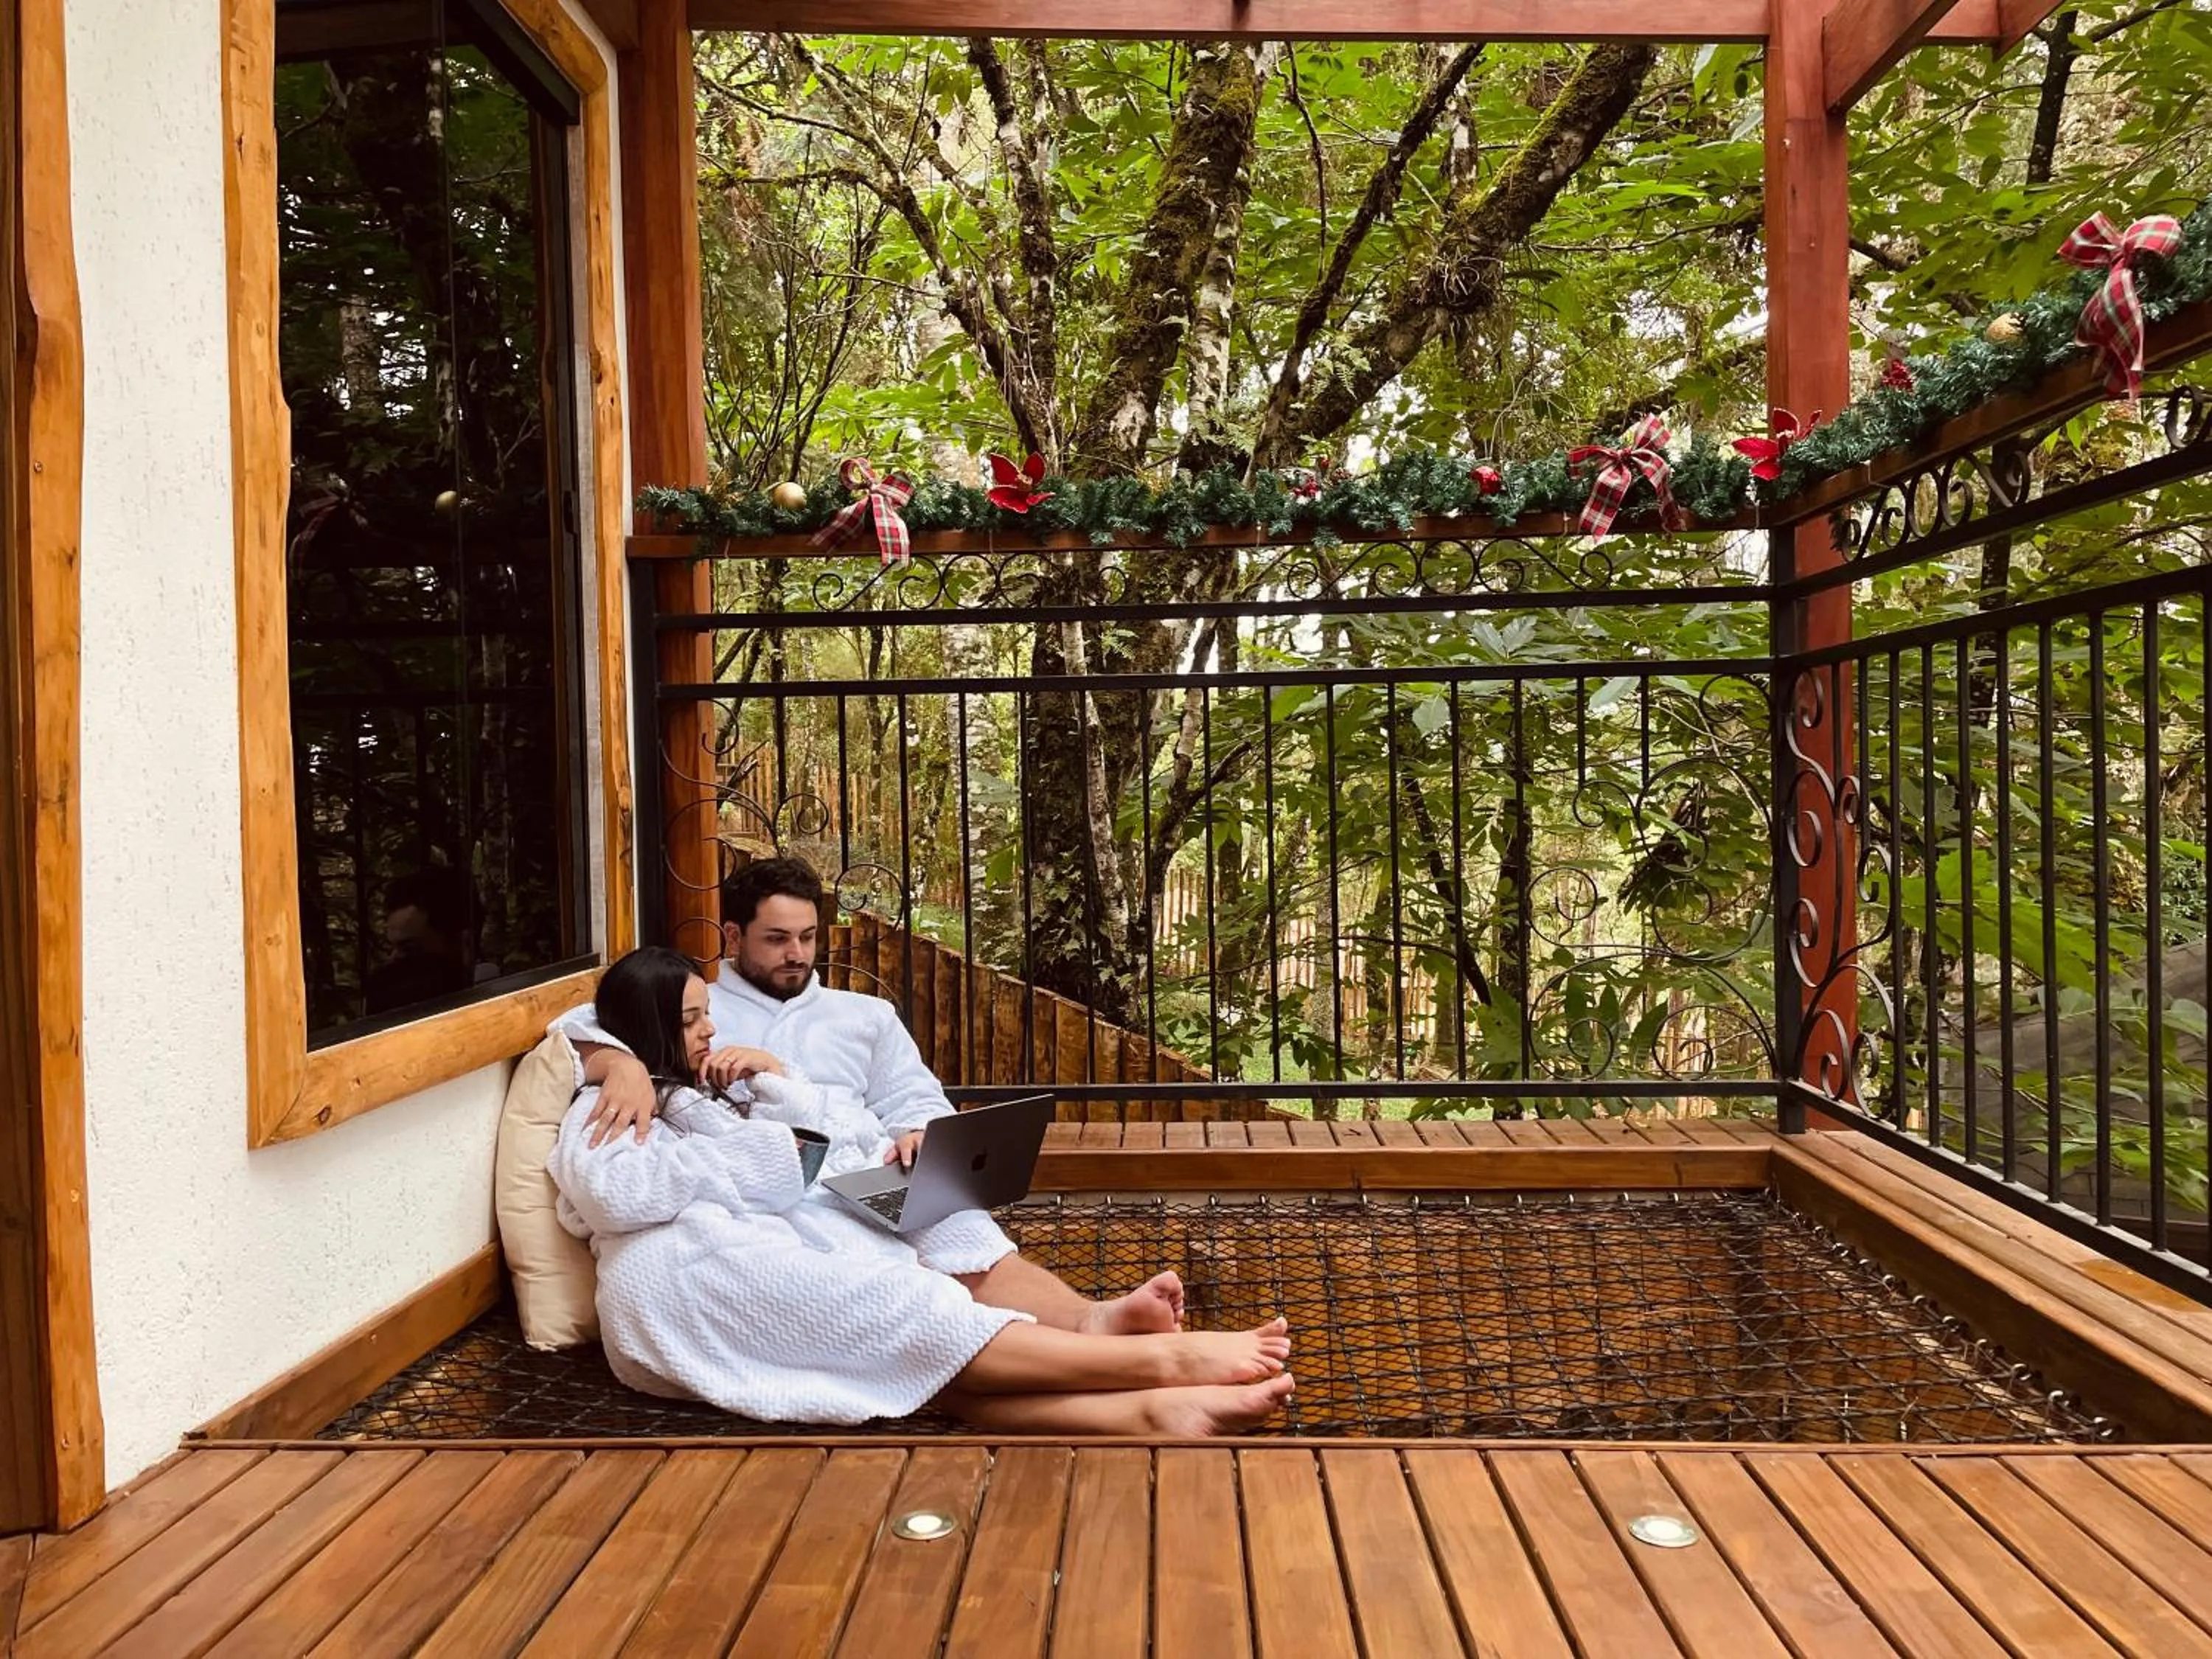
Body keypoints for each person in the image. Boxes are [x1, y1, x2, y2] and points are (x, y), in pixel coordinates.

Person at [546, 946, 1295, 1434]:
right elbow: (615, 1196)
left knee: (937, 1213)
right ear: (644, 1029)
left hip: (785, 1217)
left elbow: (824, 1139)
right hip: (685, 1274)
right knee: (899, 1308)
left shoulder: (718, 1085)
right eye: (690, 1019)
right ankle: (1160, 1367)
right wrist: (770, 1147)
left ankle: (1133, 1390)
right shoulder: (610, 1101)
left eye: (708, 1010)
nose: (710, 1028)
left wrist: (788, 1094)